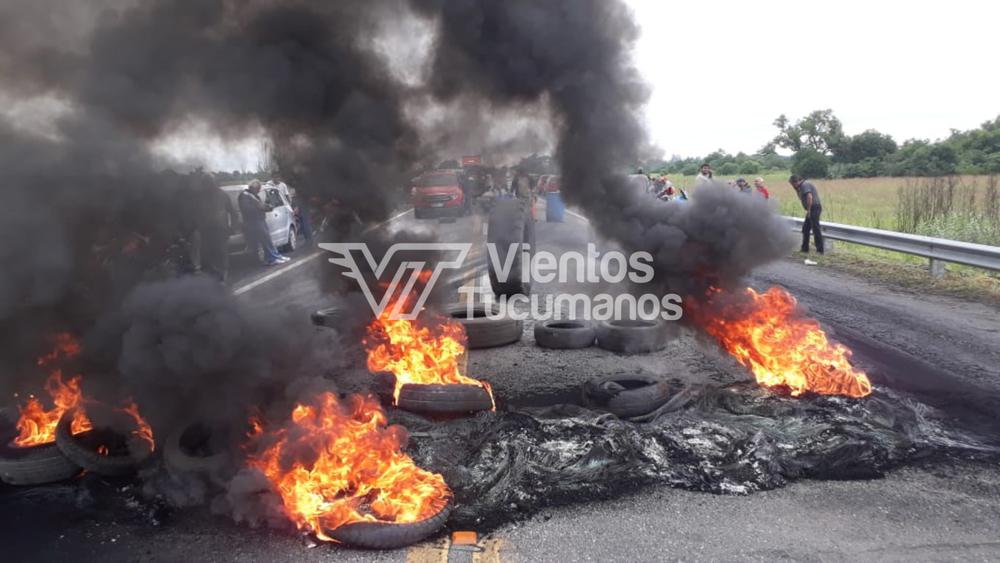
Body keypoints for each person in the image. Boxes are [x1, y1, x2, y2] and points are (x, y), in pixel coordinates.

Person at [192, 174, 237, 282]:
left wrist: (232, 227)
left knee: (221, 253)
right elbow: (195, 213)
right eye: (205, 183)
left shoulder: (223, 195)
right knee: (209, 255)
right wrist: (197, 227)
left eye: (209, 182)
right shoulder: (199, 197)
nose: (207, 185)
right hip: (206, 231)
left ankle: (223, 278)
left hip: (220, 231)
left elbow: (233, 212)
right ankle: (214, 277)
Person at [238, 179, 288, 265]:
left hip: (260, 220)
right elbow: (247, 209)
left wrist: (266, 207)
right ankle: (271, 258)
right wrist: (261, 208)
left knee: (267, 239)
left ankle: (275, 256)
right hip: (254, 222)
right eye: (257, 189)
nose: (258, 191)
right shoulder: (244, 195)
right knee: (265, 240)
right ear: (253, 187)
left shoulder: (253, 195)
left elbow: (260, 205)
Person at [789, 175, 824, 254]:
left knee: (815, 228)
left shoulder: (805, 185)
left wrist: (808, 210)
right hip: (812, 208)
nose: (792, 186)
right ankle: (805, 248)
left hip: (814, 207)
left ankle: (820, 250)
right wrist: (797, 190)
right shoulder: (801, 187)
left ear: (796, 182)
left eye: (792, 184)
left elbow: (809, 197)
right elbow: (801, 198)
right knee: (805, 228)